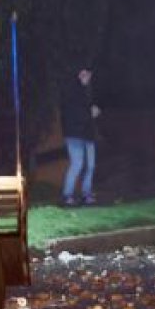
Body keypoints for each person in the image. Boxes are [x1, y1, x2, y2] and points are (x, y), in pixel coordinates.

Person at [60, 67, 100, 206]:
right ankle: (67, 195)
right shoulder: (72, 91)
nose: (87, 77)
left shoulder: (87, 91)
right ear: (78, 75)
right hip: (75, 134)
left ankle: (86, 194)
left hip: (88, 134)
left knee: (91, 165)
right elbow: (73, 113)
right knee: (77, 164)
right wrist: (90, 112)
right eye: (84, 74)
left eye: (89, 75)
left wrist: (92, 111)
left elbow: (86, 110)